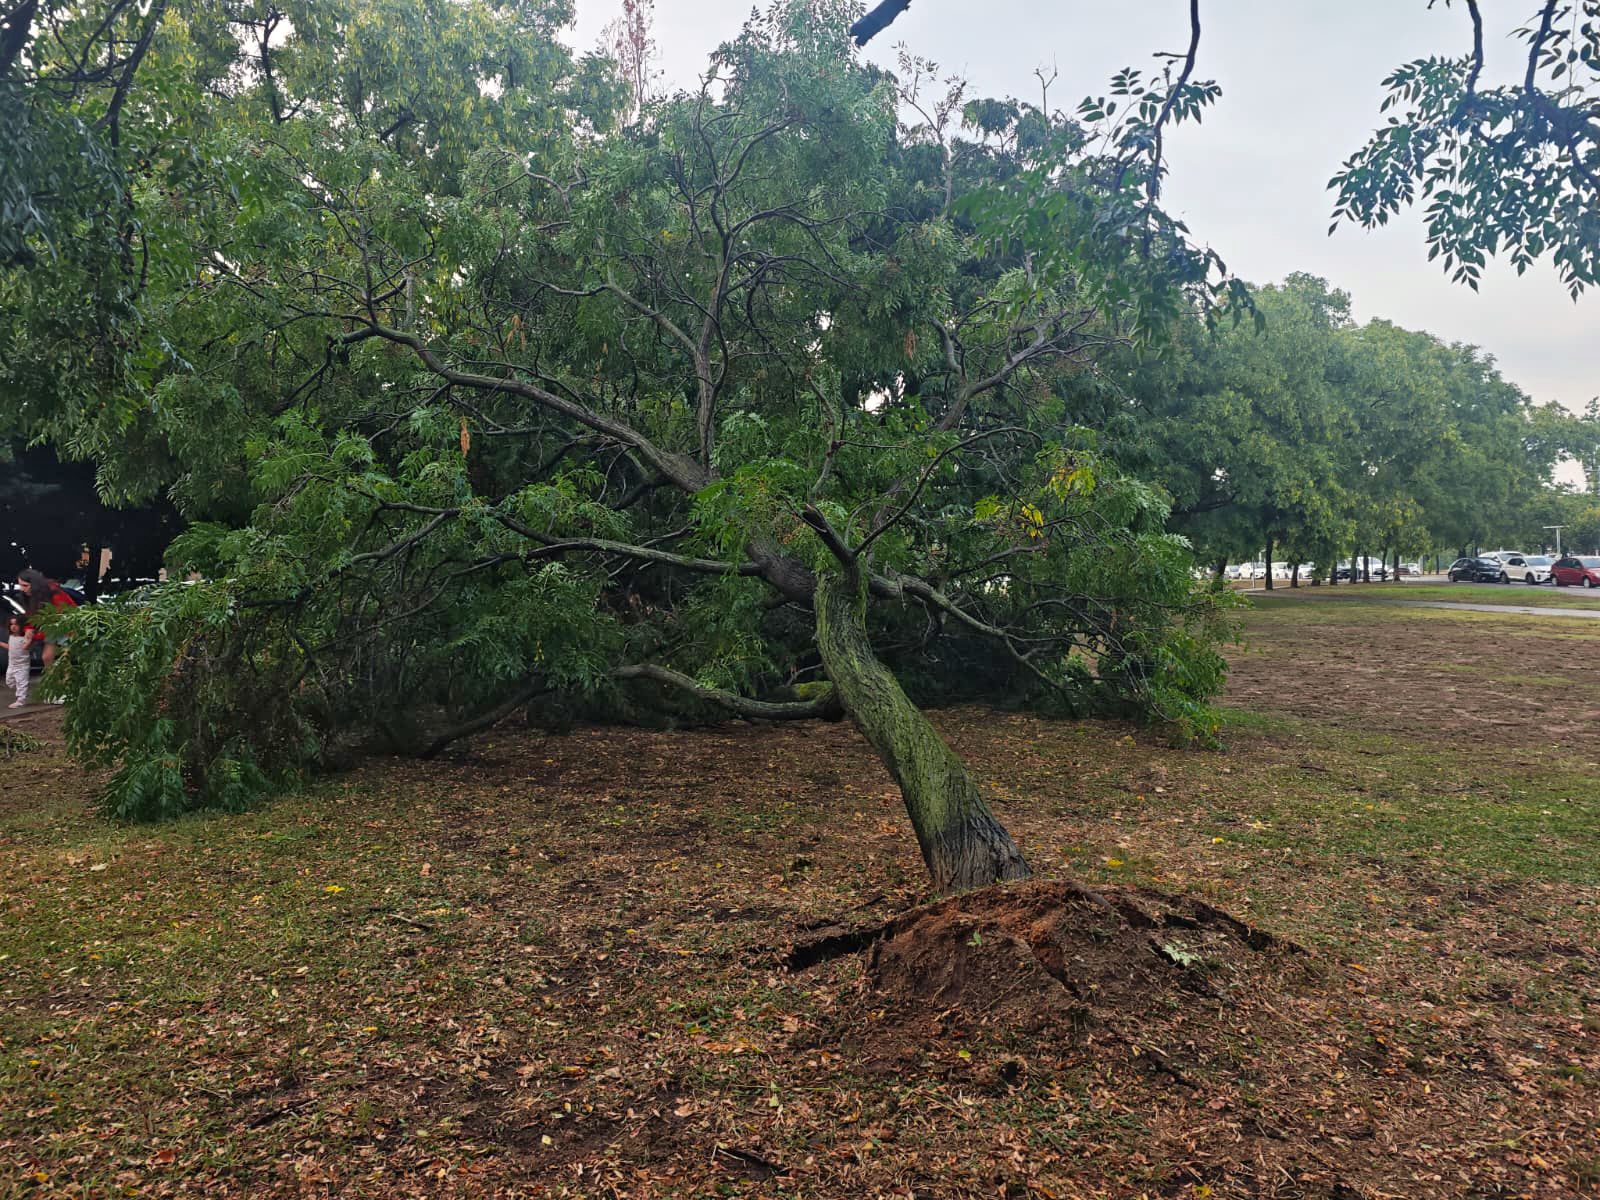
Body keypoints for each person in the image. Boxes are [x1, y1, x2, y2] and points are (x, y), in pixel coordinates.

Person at [17, 567, 77, 675]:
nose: (22, 589)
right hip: (53, 627)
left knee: (64, 658)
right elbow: (32, 616)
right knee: (47, 657)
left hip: (67, 625)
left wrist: (32, 636)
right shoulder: (30, 597)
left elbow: (61, 616)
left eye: (25, 585)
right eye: (20, 585)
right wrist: (29, 630)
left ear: (34, 585)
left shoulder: (53, 592)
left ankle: (66, 685)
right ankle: (52, 684)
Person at [6, 614, 35, 708]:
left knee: (21, 683)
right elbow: (10, 648)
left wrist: (30, 639)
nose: (13, 626)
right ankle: (23, 692)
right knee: (9, 682)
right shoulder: (11, 637)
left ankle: (21, 701)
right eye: (11, 624)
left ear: (22, 626)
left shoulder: (25, 637)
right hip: (11, 664)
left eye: (16, 624)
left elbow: (25, 647)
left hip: (22, 666)